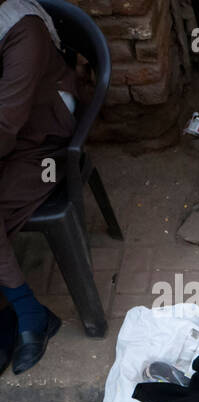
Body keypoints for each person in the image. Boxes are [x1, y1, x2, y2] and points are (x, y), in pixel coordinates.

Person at [0, 0, 77, 374]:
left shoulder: (22, 30)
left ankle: (28, 313)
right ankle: (18, 311)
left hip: (46, 147)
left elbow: (6, 123)